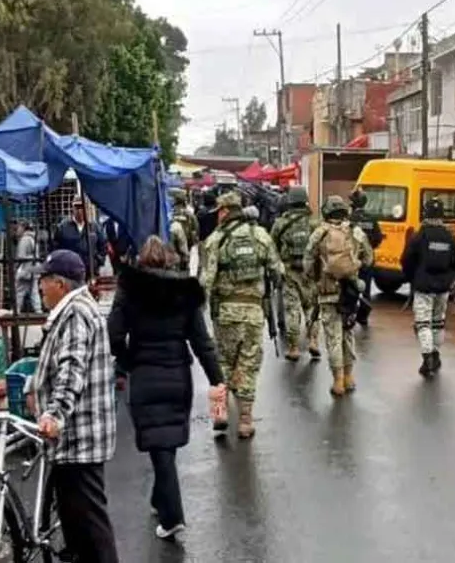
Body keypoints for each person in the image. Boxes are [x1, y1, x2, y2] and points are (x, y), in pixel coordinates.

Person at [107, 236, 226, 540]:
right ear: (169, 260)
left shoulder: (129, 291)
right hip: (177, 375)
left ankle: (172, 515)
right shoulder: (183, 293)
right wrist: (216, 378)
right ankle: (161, 501)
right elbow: (202, 341)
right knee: (166, 443)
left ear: (142, 262)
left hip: (145, 375)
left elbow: (114, 333)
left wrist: (125, 360)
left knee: (159, 443)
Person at [31, 249, 119, 562]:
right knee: (78, 529)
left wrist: (54, 414)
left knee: (91, 528)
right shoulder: (75, 309)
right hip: (73, 439)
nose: (40, 287)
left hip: (80, 438)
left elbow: (72, 369)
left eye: (44, 281)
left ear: (61, 284)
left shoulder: (76, 313)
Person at [200, 191, 284, 438]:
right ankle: (245, 420)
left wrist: (198, 311)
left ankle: (220, 412)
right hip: (254, 313)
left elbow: (206, 281)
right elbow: (278, 271)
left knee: (223, 363)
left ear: (225, 211)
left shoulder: (215, 240)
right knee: (248, 364)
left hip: (225, 313)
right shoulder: (260, 235)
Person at [304, 195, 374, 396]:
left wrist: (315, 279)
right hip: (350, 293)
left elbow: (308, 262)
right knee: (348, 334)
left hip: (328, 293)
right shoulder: (356, 232)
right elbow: (369, 258)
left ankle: (338, 382)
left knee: (333, 338)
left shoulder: (320, 232)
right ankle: (350, 377)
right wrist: (356, 266)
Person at [401, 197, 455, 378]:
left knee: (423, 324)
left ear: (425, 213)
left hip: (423, 286)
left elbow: (406, 259)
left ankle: (427, 358)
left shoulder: (420, 236)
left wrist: (411, 277)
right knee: (438, 322)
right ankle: (436, 355)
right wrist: (454, 278)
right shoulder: (449, 236)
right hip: (443, 287)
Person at [271, 187, 320, 362]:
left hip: (289, 272)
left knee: (292, 310)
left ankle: (293, 348)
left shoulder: (280, 223)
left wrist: (277, 269)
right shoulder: (315, 222)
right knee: (311, 308)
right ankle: (313, 340)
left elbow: (272, 248)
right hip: (310, 273)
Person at [348, 189, 384, 327]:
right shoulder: (372, 218)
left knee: (351, 287)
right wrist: (369, 248)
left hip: (352, 260)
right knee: (366, 288)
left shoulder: (350, 219)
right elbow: (378, 238)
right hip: (367, 260)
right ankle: (363, 317)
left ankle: (350, 314)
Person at [54, 197, 107, 276]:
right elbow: (56, 247)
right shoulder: (63, 227)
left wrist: (98, 260)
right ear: (72, 208)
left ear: (87, 209)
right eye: (77, 207)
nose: (80, 210)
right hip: (70, 271)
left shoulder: (95, 227)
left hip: (91, 270)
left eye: (82, 207)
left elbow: (103, 245)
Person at [15, 220, 41, 313]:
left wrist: (16, 266)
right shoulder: (33, 238)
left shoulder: (25, 239)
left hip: (25, 269)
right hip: (34, 268)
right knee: (34, 291)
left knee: (19, 291)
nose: (17, 230)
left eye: (19, 227)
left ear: (23, 228)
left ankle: (16, 310)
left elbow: (21, 256)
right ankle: (38, 311)